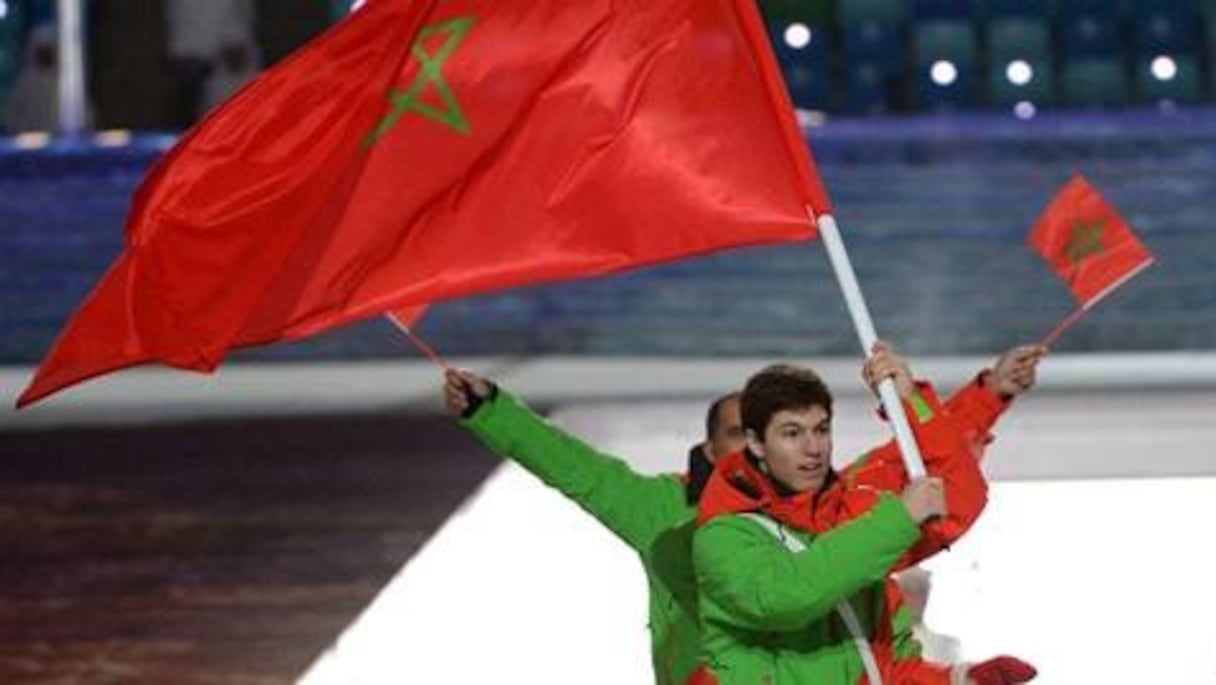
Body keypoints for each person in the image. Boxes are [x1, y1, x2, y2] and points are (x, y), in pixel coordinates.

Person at [445, 343, 1043, 684]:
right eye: (742, 433)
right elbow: (571, 467)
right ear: (726, 447)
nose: (803, 446)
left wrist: (989, 393)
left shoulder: (821, 501)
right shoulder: (665, 512)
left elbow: (922, 467)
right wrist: (492, 412)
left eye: (814, 431)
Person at [690, 349, 1040, 684]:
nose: (813, 448)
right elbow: (786, 596)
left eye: (822, 429)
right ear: (755, 443)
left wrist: (909, 400)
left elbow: (953, 496)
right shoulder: (722, 534)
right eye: (792, 433)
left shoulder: (849, 511)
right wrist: (899, 519)